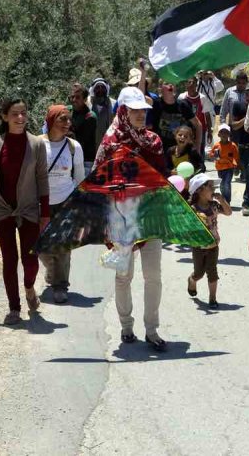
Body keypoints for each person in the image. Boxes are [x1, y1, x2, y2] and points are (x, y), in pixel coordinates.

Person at [94, 87, 168, 351]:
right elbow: (99, 181)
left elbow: (163, 178)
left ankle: (152, 330)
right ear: (123, 111)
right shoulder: (111, 141)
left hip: (150, 215)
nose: (140, 115)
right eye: (134, 110)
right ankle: (126, 326)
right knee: (124, 276)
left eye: (142, 110)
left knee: (153, 274)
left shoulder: (154, 142)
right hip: (120, 216)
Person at [0, 98, 50, 326]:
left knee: (31, 260)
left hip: (29, 210)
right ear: (4, 117)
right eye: (14, 114)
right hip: (2, 212)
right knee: (9, 260)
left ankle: (29, 287)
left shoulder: (36, 144)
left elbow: (42, 180)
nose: (20, 118)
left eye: (23, 114)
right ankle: (13, 308)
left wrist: (46, 213)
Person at [39, 105, 85, 304]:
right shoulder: (37, 144)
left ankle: (60, 285)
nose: (67, 123)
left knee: (63, 247)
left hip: (66, 201)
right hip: (41, 202)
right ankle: (51, 269)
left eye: (68, 119)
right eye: (62, 119)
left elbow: (80, 176)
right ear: (51, 121)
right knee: (41, 246)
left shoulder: (74, 147)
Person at [187, 173, 232, 309]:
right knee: (199, 273)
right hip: (198, 247)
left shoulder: (214, 206)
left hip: (213, 245)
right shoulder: (192, 209)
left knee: (212, 272)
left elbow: (229, 212)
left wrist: (222, 201)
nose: (213, 190)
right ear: (200, 190)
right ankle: (192, 280)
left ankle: (212, 298)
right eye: (210, 187)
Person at [227, 78, 249, 216]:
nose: (248, 97)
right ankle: (239, 202)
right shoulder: (238, 105)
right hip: (241, 146)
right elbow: (234, 125)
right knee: (243, 172)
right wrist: (247, 117)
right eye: (247, 94)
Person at [150, 82, 201, 152]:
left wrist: (197, 147)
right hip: (160, 150)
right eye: (166, 83)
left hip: (178, 151)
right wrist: (143, 74)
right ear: (160, 89)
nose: (170, 85)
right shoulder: (156, 103)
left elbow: (198, 125)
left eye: (172, 83)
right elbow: (140, 98)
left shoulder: (183, 105)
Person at [69, 83, 98, 174]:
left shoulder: (90, 117)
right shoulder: (68, 111)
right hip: (69, 158)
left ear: (85, 99)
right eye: (72, 97)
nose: (74, 100)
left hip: (85, 161)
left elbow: (81, 141)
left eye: (78, 97)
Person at [179, 76, 213, 154]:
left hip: (200, 130)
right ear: (186, 84)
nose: (191, 84)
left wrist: (210, 132)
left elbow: (207, 115)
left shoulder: (202, 98)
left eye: (193, 82)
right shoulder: (182, 97)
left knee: (200, 152)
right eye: (189, 82)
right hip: (186, 130)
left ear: (196, 85)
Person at [209, 124, 239, 206]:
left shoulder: (232, 146)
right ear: (219, 134)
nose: (224, 134)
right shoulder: (216, 146)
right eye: (222, 132)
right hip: (220, 168)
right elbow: (211, 155)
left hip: (229, 168)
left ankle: (227, 201)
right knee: (222, 185)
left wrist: (236, 167)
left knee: (226, 184)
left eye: (226, 132)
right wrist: (213, 156)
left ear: (229, 134)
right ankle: (224, 200)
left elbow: (236, 157)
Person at [88, 78, 115, 151]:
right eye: (97, 88)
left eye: (103, 87)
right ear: (93, 90)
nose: (100, 90)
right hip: (90, 144)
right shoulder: (87, 103)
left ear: (107, 89)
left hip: (109, 143)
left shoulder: (113, 104)